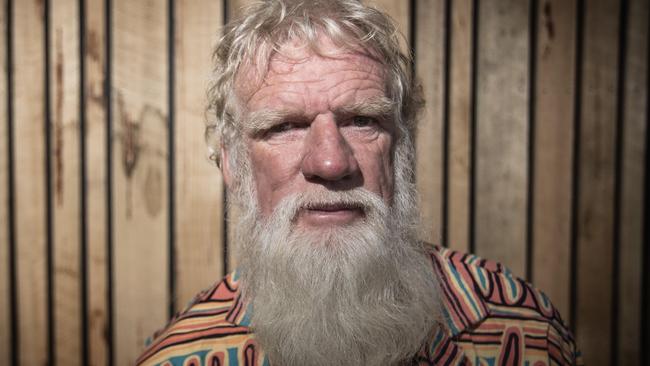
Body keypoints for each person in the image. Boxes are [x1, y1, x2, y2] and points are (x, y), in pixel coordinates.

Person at [137, 0, 582, 365]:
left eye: (363, 120)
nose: (331, 162)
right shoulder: (181, 357)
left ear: (401, 149)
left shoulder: (524, 334)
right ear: (233, 162)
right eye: (285, 126)